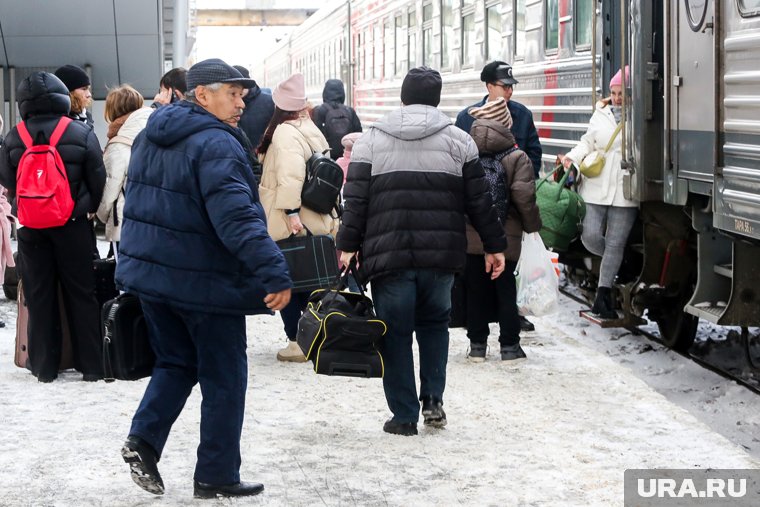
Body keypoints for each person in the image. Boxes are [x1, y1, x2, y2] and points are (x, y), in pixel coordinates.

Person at [115, 59, 292, 498]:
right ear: (202, 95)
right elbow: (237, 220)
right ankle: (216, 474)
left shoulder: (151, 135)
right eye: (231, 94)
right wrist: (274, 272)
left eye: (241, 95)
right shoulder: (216, 143)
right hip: (205, 283)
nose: (240, 102)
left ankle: (143, 440)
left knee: (176, 362)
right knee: (225, 377)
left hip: (155, 279)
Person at [337, 66, 507, 436]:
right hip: (441, 257)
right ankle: (433, 401)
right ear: (437, 99)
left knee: (394, 333)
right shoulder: (460, 141)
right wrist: (495, 247)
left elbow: (356, 202)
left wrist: (347, 246)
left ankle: (403, 416)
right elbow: (480, 204)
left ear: (402, 97)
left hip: (389, 256)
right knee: (434, 327)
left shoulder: (370, 140)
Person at [0, 71, 106, 382]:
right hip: (71, 226)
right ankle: (92, 365)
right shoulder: (80, 132)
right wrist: (79, 209)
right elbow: (97, 181)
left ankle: (44, 366)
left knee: (38, 294)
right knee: (82, 293)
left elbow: (7, 181)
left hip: (32, 229)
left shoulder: (14, 137)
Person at [455, 60, 542, 333]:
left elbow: (534, 155)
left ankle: (494, 331)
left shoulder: (522, 115)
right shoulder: (466, 116)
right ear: (489, 86)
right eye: (504, 87)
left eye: (511, 87)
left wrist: (524, 179)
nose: (509, 93)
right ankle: (497, 337)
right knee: (480, 278)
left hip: (509, 214)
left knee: (506, 277)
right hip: (479, 217)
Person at [258, 72, 339, 362]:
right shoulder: (310, 127)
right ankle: (313, 335)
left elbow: (291, 175)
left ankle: (297, 341)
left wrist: (292, 214)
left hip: (292, 217)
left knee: (289, 280)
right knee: (308, 280)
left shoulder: (284, 133)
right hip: (315, 214)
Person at [558, 67, 637, 319]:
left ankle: (603, 296)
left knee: (615, 242)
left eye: (621, 93)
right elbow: (587, 142)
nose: (617, 98)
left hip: (626, 189)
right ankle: (621, 262)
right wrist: (571, 158)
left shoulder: (640, 115)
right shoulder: (600, 113)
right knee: (590, 236)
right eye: (613, 93)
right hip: (596, 186)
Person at [96, 85, 153, 253]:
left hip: (126, 222)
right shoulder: (154, 130)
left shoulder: (118, 143)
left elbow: (110, 188)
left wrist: (100, 214)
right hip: (154, 216)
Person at [311, 79, 362, 159]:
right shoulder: (349, 111)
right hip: (347, 158)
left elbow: (313, 136)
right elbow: (359, 135)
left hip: (327, 160)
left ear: (325, 93)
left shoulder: (319, 111)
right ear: (342, 93)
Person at [233, 65, 274, 150]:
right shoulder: (227, 103)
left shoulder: (269, 101)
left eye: (241, 87)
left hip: (263, 157)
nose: (239, 91)